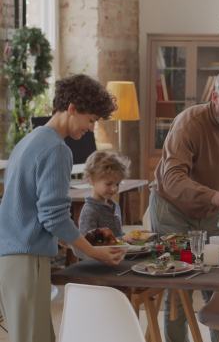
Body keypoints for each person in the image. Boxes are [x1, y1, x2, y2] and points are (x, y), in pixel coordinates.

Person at [0, 74, 126, 342]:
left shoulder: (28, 141)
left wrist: (74, 244)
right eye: (90, 119)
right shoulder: (57, 150)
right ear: (71, 109)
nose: (91, 128)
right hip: (26, 258)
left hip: (10, 256)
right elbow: (54, 217)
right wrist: (95, 253)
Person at [148, 68, 219, 342]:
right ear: (215, 97)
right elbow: (172, 179)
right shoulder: (190, 123)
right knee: (179, 285)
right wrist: (212, 196)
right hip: (172, 208)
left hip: (210, 209)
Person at [78, 150, 131, 237]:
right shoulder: (90, 212)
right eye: (108, 184)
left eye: (117, 184)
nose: (114, 189)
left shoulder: (115, 206)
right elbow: (86, 244)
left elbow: (117, 237)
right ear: (91, 180)